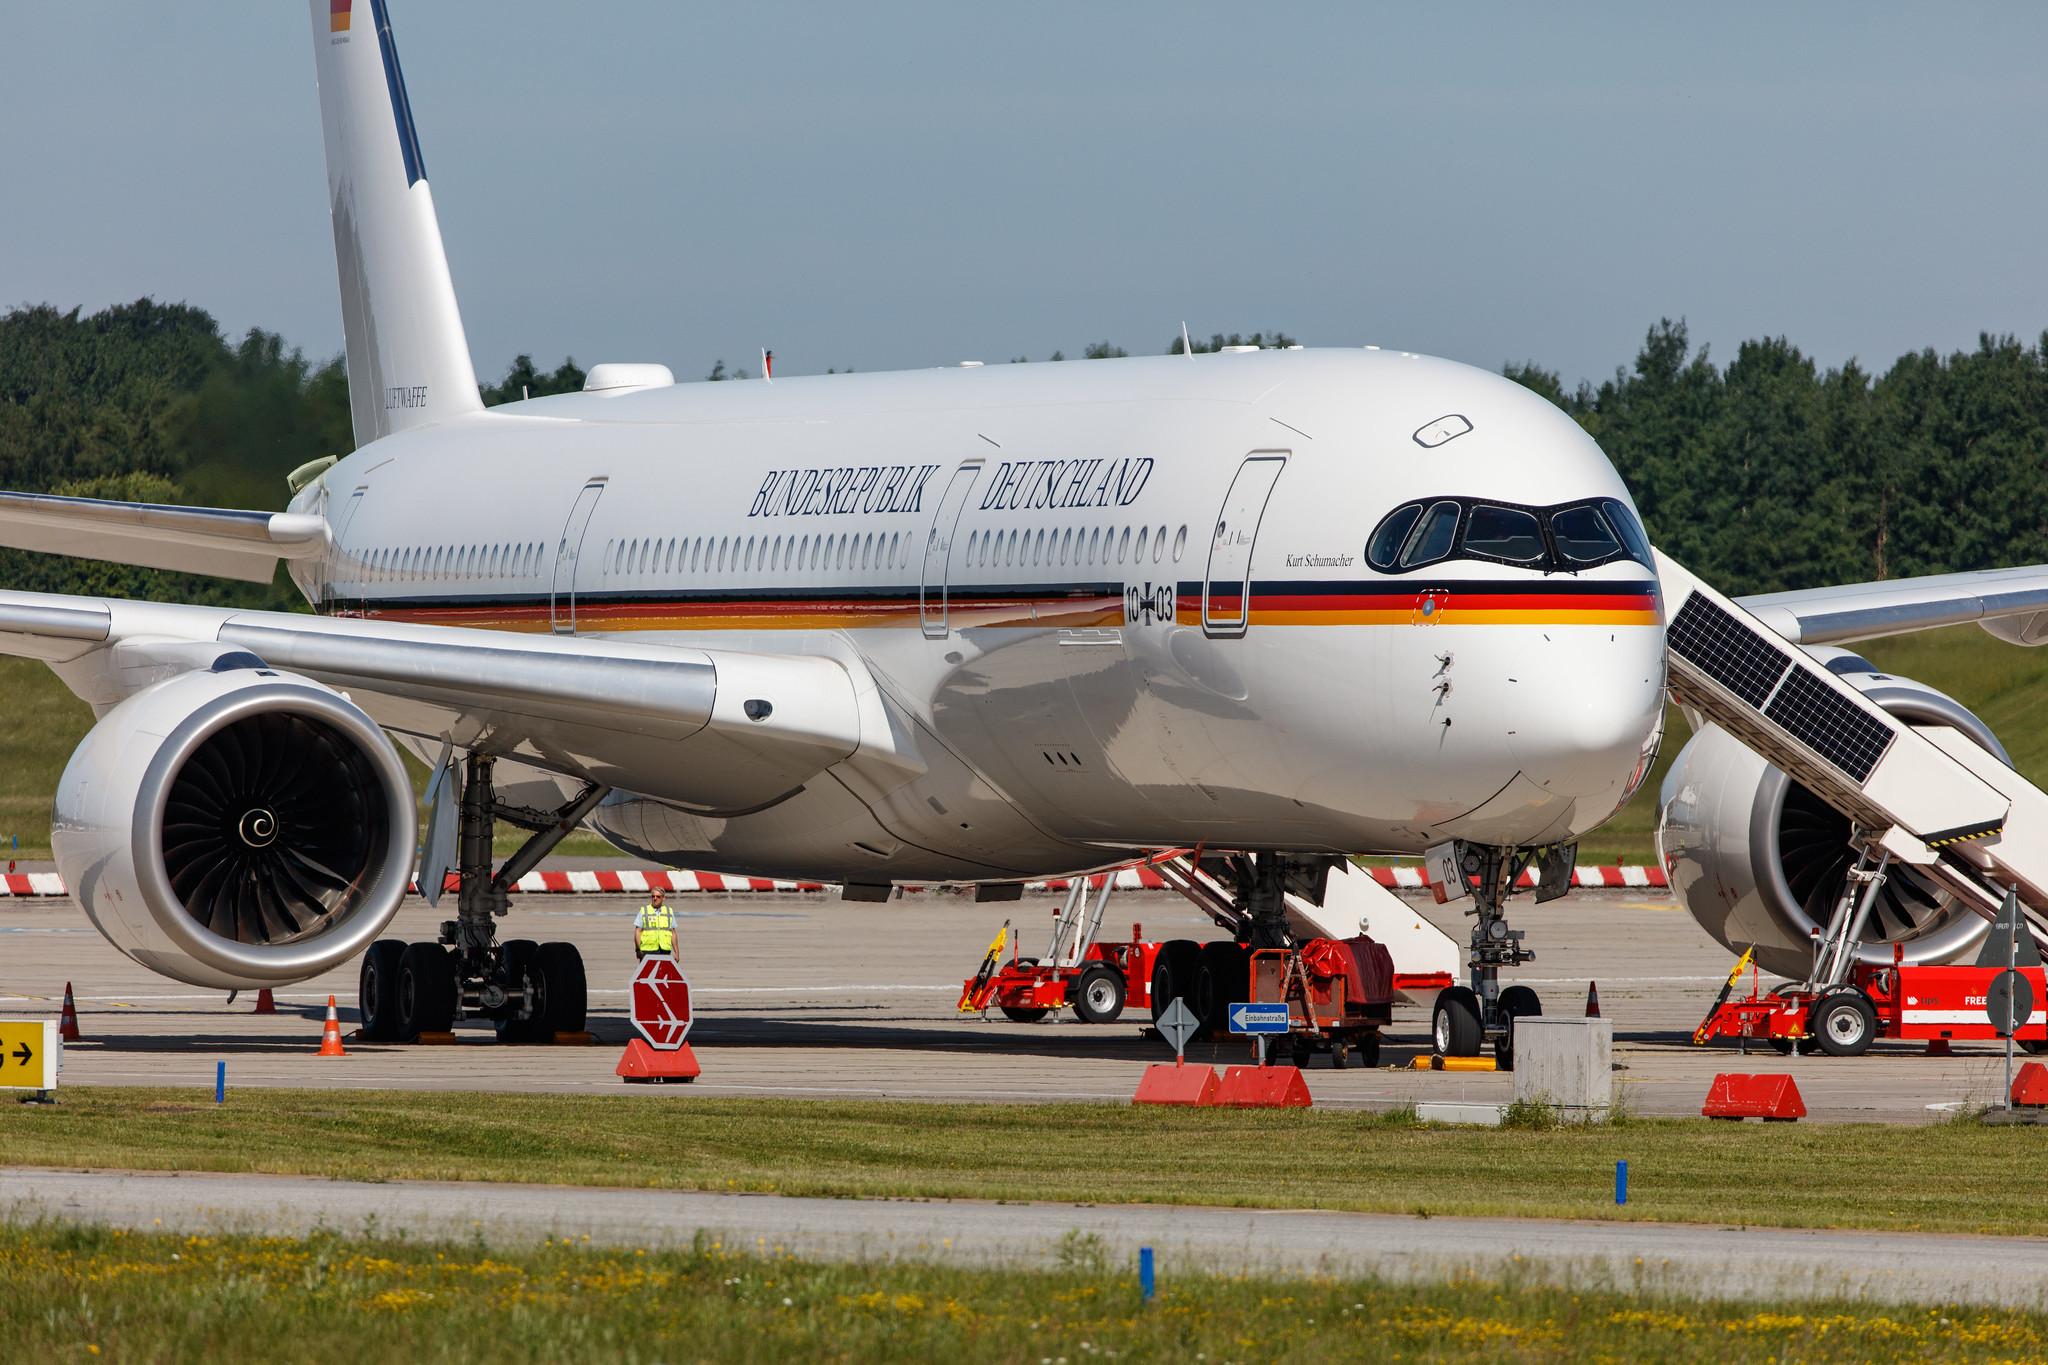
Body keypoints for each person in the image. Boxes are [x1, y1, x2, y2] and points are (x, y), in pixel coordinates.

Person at [634, 887, 676, 958]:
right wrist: (638, 950)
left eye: (658, 896)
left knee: (663, 969)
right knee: (647, 969)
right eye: (653, 896)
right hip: (647, 951)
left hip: (664, 950)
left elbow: (673, 933)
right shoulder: (644, 911)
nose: (655, 898)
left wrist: (676, 952)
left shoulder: (669, 912)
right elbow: (637, 932)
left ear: (663, 898)